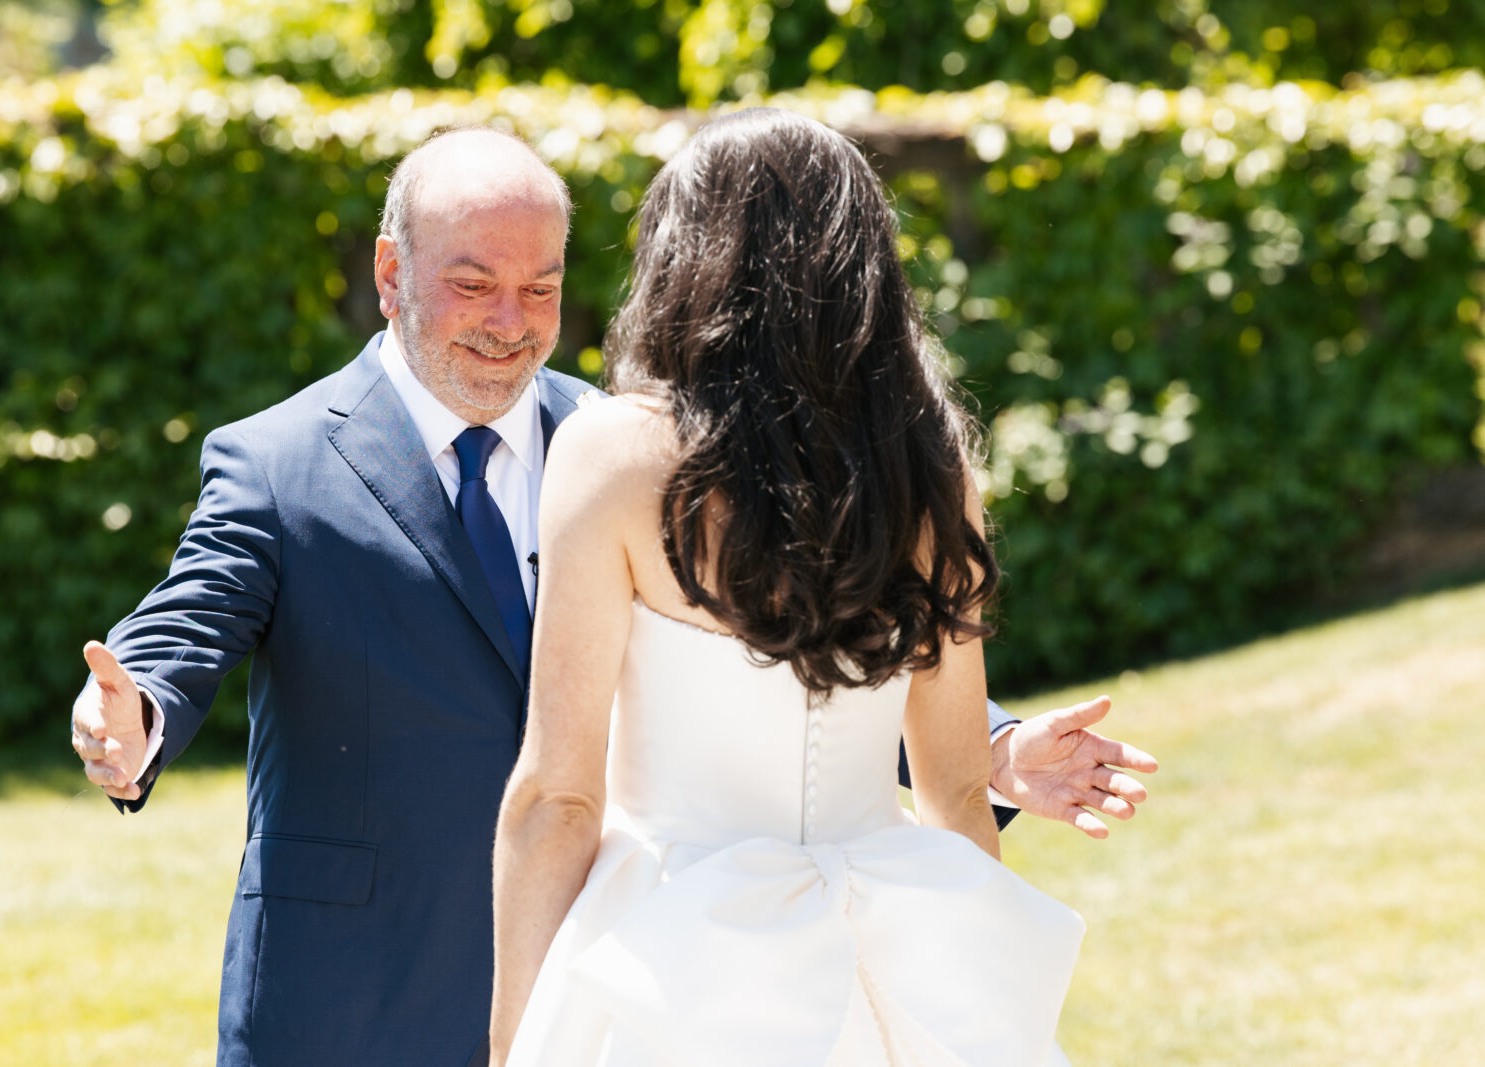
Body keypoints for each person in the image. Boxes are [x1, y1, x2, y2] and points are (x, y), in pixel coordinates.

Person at [70, 126, 1155, 1066]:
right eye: (474, 283)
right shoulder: (278, 457)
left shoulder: (621, 441)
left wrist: (992, 745)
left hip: (637, 967)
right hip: (370, 979)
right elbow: (190, 616)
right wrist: (138, 708)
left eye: (542, 286)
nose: (513, 318)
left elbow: (780, 646)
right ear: (391, 272)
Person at [490, 109, 1100, 1066]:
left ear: (685, 256)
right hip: (893, 942)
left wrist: (513, 1043)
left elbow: (557, 799)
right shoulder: (935, 474)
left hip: (675, 954)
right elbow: (956, 791)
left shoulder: (613, 454)